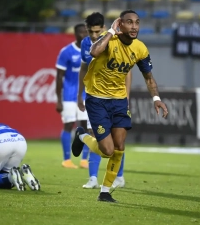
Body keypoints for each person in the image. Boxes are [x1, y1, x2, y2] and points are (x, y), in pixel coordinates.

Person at [72, 10, 168, 202]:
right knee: (107, 150)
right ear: (120, 24)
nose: (134, 27)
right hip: (97, 99)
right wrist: (110, 32)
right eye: (129, 22)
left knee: (120, 147)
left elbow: (148, 78)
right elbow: (94, 52)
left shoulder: (140, 48)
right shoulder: (108, 41)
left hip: (119, 101)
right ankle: (82, 135)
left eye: (137, 23)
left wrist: (156, 98)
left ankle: (105, 192)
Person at [78, 12, 129, 189]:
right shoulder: (85, 44)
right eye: (90, 32)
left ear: (104, 28)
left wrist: (126, 96)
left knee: (117, 140)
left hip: (115, 98)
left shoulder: (115, 40)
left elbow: (127, 71)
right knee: (97, 136)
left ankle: (119, 176)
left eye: (97, 32)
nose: (93, 36)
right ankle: (93, 178)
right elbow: (84, 68)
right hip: (94, 98)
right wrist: (80, 95)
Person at [55, 23, 90, 169]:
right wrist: (58, 100)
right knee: (69, 125)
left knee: (86, 127)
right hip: (69, 96)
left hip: (86, 95)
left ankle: (84, 160)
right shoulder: (66, 52)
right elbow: (59, 77)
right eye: (80, 33)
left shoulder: (90, 51)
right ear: (75, 34)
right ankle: (67, 159)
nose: (83, 35)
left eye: (85, 32)